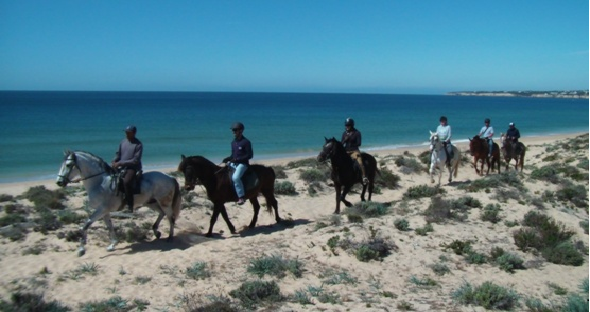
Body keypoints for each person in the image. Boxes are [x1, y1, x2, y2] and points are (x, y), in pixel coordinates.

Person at [111, 125, 143, 213]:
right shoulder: (123, 142)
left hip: (132, 167)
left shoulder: (138, 144)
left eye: (128, 132)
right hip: (121, 165)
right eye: (126, 132)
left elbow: (135, 160)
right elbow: (118, 154)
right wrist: (114, 160)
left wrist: (120, 163)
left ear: (134, 133)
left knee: (126, 181)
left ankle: (130, 205)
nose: (126, 134)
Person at [222, 122, 253, 205]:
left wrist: (237, 159)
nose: (233, 132)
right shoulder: (233, 142)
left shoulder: (246, 142)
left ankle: (241, 197)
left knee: (235, 178)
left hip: (243, 164)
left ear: (241, 131)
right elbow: (233, 155)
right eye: (233, 130)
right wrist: (228, 158)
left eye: (235, 130)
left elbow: (249, 155)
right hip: (234, 163)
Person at [341, 118, 368, 185]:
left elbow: (359, 143)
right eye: (346, 125)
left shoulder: (357, 133)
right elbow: (341, 143)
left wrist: (351, 143)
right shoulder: (344, 133)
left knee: (360, 162)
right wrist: (345, 140)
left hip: (354, 151)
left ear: (351, 125)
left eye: (348, 125)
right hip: (346, 151)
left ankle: (364, 177)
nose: (347, 127)